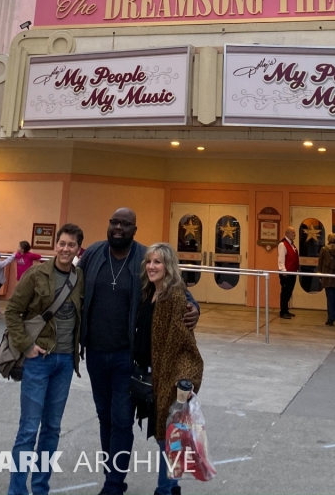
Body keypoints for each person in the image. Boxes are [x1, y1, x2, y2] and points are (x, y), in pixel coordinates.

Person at [79, 208, 200, 495]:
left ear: (135, 229)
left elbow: (174, 285)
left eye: (125, 224)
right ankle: (114, 477)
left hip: (126, 357)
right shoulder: (94, 254)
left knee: (122, 420)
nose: (118, 227)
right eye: (114, 222)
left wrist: (195, 307)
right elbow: (73, 287)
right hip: (96, 354)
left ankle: (113, 485)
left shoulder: (145, 258)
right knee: (104, 418)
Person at [5, 223, 84, 495]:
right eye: (62, 243)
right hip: (39, 361)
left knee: (52, 429)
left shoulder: (79, 277)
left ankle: (40, 488)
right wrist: (26, 345)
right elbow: (13, 311)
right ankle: (17, 490)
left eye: (71, 245)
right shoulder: (37, 274)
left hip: (65, 363)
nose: (65, 248)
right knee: (28, 429)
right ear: (56, 245)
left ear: (77, 249)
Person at [134, 243, 204, 495]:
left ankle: (164, 490)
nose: (152, 267)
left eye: (158, 262)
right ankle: (172, 487)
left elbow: (186, 345)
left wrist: (184, 380)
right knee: (164, 435)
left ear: (169, 266)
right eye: (149, 262)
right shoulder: (148, 291)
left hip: (168, 377)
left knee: (166, 437)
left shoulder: (174, 296)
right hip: (148, 374)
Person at [277, 227, 299, 320]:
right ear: (287, 233)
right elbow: (281, 260)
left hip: (292, 272)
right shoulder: (283, 244)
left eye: (294, 232)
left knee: (289, 292)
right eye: (293, 232)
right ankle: (283, 312)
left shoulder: (292, 245)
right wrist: (283, 272)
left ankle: (286, 310)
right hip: (286, 273)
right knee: (285, 292)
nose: (294, 234)